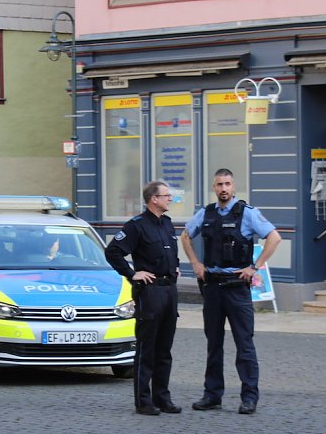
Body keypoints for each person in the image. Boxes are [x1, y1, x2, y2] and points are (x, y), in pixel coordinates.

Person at [181, 168, 281, 415]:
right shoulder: (206, 213)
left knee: (244, 344)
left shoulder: (247, 213)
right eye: (219, 184)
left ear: (234, 186)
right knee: (213, 344)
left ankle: (249, 397)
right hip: (213, 287)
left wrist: (254, 267)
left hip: (237, 288)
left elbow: (274, 237)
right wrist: (195, 262)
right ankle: (212, 395)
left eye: (227, 184)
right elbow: (184, 235)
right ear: (213, 188)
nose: (223, 188)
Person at [105, 181, 180, 416]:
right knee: (147, 348)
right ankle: (143, 400)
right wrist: (131, 273)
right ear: (153, 199)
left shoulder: (167, 224)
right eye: (166, 195)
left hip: (169, 290)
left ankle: (162, 397)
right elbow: (113, 251)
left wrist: (175, 267)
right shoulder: (137, 226)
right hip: (150, 292)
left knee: (164, 349)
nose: (170, 199)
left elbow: (169, 253)